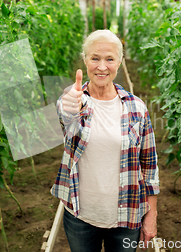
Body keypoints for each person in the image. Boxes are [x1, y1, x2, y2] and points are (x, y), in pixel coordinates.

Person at [51, 30, 160, 252]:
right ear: (85, 60)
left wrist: (151, 215)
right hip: (80, 215)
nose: (102, 67)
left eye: (109, 59)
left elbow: (149, 166)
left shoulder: (136, 108)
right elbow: (67, 113)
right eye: (95, 58)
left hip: (127, 216)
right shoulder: (75, 101)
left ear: (119, 62)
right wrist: (70, 105)